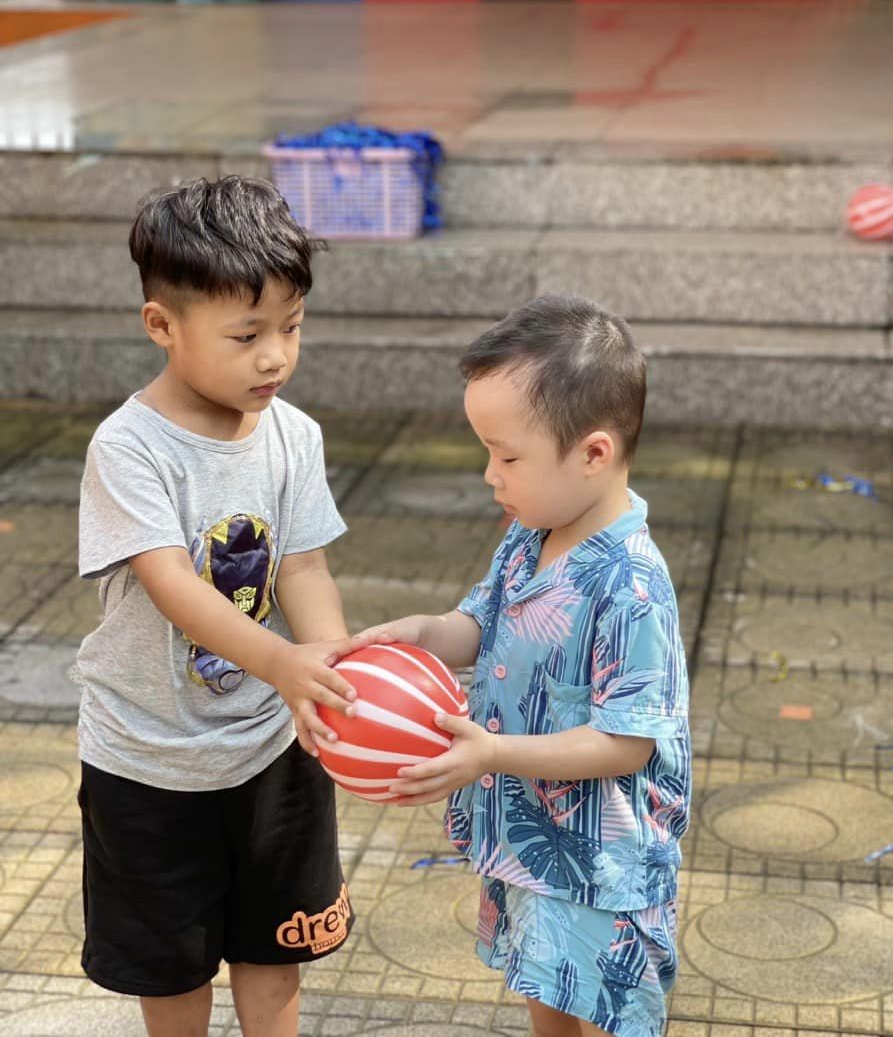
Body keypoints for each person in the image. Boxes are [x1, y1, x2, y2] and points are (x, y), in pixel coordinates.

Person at [348, 294, 691, 1037]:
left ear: (594, 454)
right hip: (530, 847)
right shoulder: (530, 534)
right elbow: (480, 623)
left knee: (608, 1018)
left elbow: (626, 743)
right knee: (545, 994)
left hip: (605, 871)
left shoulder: (631, 586)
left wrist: (493, 753)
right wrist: (424, 632)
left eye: (507, 457)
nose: (489, 475)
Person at [75, 176, 359, 1037]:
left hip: (271, 746)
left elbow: (304, 566)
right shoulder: (129, 448)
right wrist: (284, 663)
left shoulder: (293, 436)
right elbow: (172, 585)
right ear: (162, 325)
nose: (275, 356)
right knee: (172, 964)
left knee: (275, 948)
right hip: (147, 761)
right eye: (247, 335)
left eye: (291, 327)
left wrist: (332, 671)